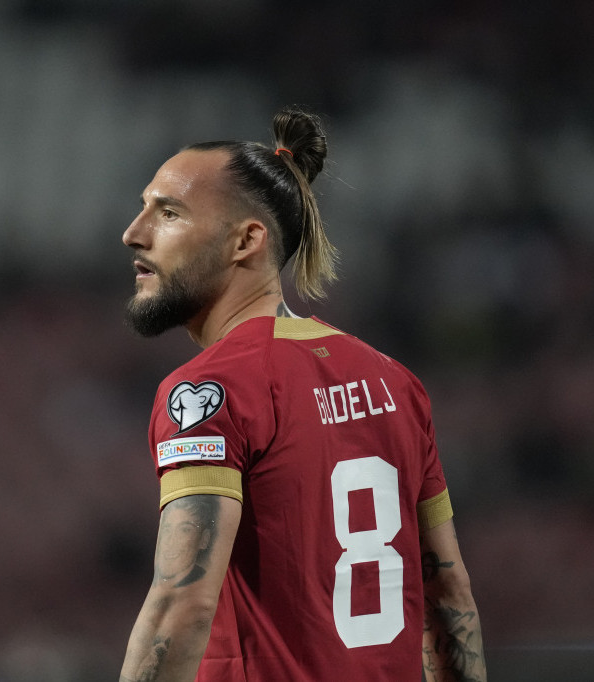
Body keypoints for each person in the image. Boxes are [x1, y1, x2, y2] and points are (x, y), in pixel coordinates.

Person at [119, 106, 487, 682]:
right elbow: (448, 593)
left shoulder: (211, 390)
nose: (134, 232)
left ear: (246, 240)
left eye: (168, 213)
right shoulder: (396, 383)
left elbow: (181, 606)